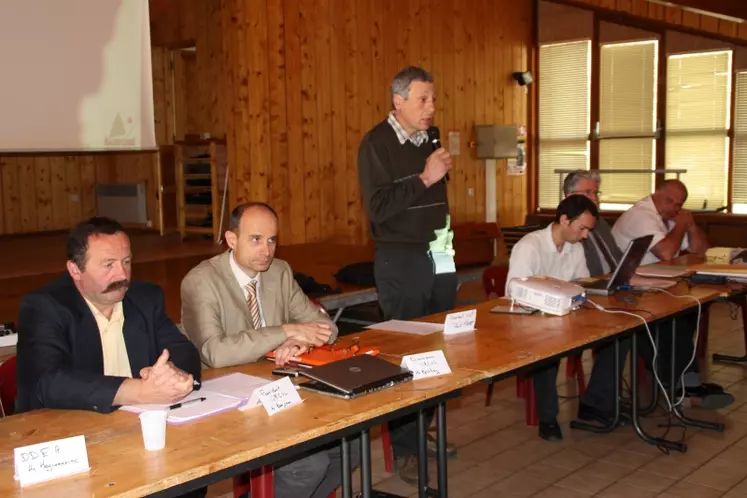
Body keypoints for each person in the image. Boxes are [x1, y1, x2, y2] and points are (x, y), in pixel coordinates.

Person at [181, 202, 357, 498]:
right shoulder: (201, 282)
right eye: (256, 239)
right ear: (231, 239)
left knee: (349, 448)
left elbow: (327, 327)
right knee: (309, 465)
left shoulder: (279, 272)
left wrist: (301, 341)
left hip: (278, 390)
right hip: (227, 400)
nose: (267, 250)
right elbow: (214, 353)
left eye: (272, 240)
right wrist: (285, 331)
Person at [357, 66, 457, 483]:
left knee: (438, 353)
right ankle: (405, 450)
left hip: (439, 255)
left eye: (433, 99)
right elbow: (378, 208)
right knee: (405, 357)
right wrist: (425, 177)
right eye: (422, 99)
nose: (431, 107)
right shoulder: (375, 144)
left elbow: (432, 200)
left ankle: (425, 431)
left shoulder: (429, 141)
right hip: (402, 260)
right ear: (398, 101)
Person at [563, 171, 733, 413]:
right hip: (590, 296)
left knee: (672, 316)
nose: (595, 198)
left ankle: (684, 386)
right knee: (640, 323)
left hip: (614, 287)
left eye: (596, 193)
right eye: (588, 193)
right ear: (570, 197)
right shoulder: (571, 226)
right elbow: (581, 275)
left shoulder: (598, 223)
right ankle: (674, 390)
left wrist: (637, 279)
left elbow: (616, 263)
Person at [16, 217, 201, 414]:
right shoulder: (45, 306)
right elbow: (49, 383)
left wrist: (172, 373)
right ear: (75, 270)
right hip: (64, 426)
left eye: (126, 262)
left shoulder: (145, 298)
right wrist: (137, 390)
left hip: (138, 421)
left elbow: (183, 350)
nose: (122, 275)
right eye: (108, 265)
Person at [610, 178, 733, 408]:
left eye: (679, 204)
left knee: (691, 308)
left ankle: (682, 380)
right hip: (625, 288)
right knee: (672, 318)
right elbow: (667, 253)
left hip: (653, 283)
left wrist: (691, 225)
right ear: (655, 193)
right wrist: (680, 226)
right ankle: (683, 385)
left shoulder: (671, 217)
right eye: (669, 201)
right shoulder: (642, 215)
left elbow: (702, 251)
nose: (673, 208)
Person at [506, 195, 598, 441]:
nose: (586, 235)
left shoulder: (575, 248)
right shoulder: (530, 246)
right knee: (548, 349)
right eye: (583, 228)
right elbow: (515, 293)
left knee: (612, 337)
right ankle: (547, 418)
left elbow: (581, 286)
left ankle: (597, 403)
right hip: (528, 322)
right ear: (564, 220)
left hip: (562, 318)